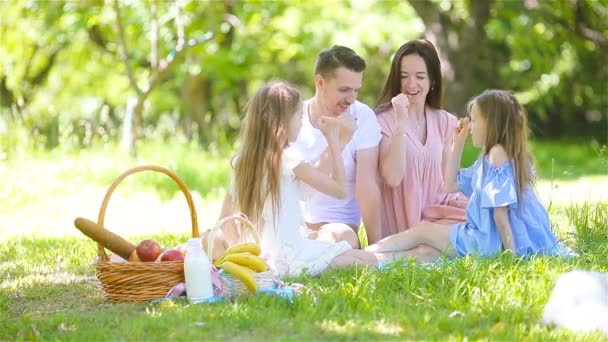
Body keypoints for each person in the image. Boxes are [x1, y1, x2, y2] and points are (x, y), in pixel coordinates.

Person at [366, 89, 559, 259]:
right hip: (488, 237)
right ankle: (366, 255)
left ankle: (364, 254)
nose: (470, 125)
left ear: (491, 124)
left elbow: (501, 213)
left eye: (474, 120)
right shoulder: (500, 155)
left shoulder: (497, 155)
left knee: (421, 231)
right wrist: (457, 144)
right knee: (422, 233)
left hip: (487, 241)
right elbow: (450, 186)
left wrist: (511, 256)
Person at [219, 81, 378, 276]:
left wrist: (242, 254)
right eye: (299, 116)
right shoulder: (287, 158)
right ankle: (311, 268)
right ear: (282, 122)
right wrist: (334, 140)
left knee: (351, 246)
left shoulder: (244, 161)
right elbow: (339, 190)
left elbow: (226, 219)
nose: (302, 123)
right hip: (289, 258)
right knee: (368, 260)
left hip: (268, 254)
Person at [375, 39, 467, 248]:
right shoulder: (382, 121)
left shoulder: (445, 121)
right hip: (402, 226)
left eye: (420, 76)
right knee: (428, 252)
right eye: (404, 76)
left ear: (432, 81)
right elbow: (392, 177)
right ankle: (371, 258)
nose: (411, 84)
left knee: (486, 220)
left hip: (436, 217)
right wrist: (401, 121)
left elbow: (448, 184)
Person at [292, 45, 383, 246]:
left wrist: (377, 247)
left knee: (341, 236)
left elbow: (367, 186)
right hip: (293, 226)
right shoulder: (293, 119)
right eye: (344, 90)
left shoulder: (362, 117)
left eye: (356, 91)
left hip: (338, 229)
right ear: (320, 82)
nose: (351, 99)